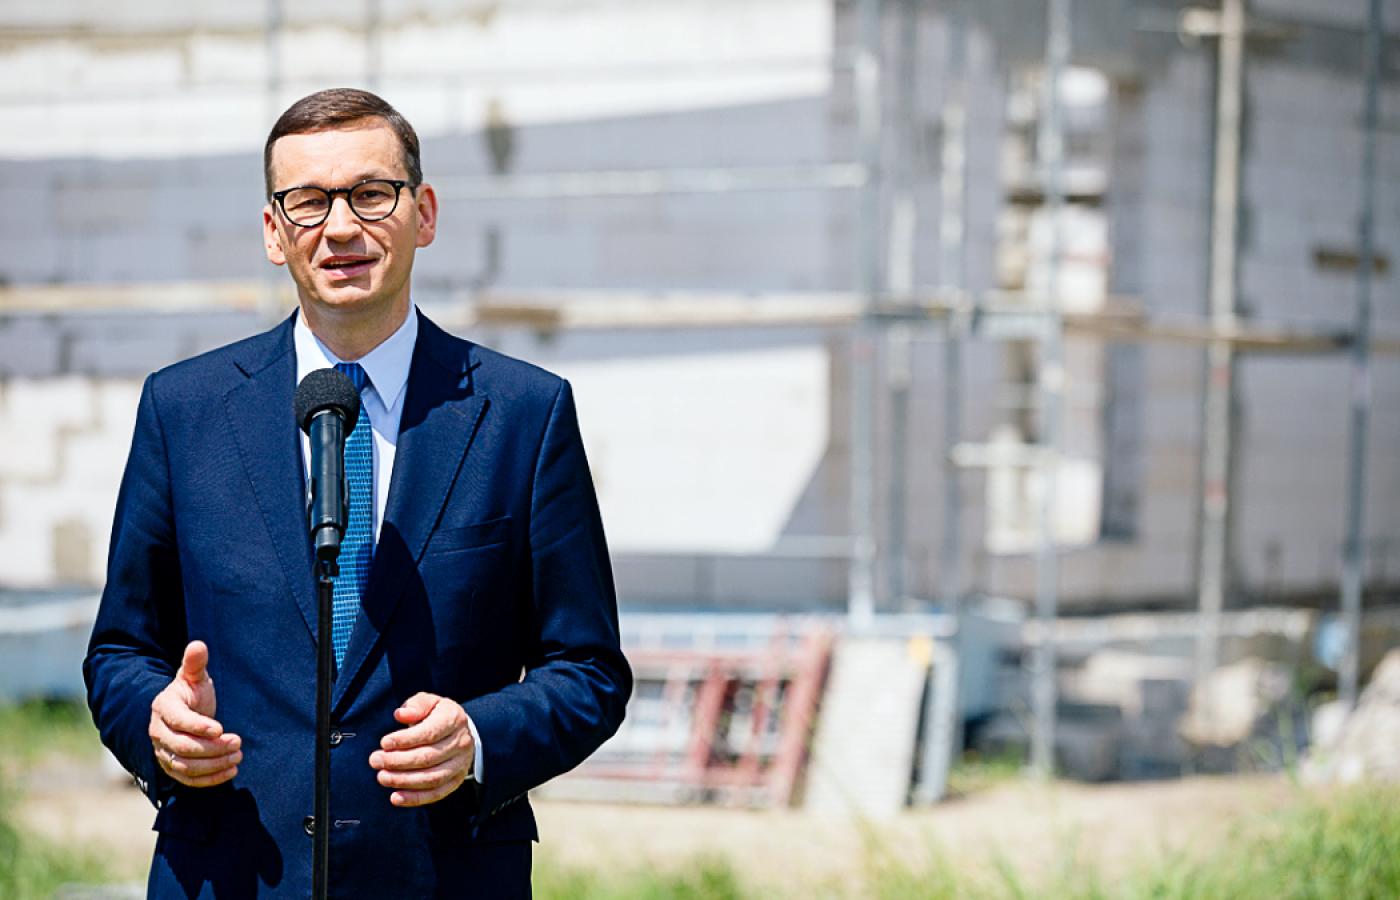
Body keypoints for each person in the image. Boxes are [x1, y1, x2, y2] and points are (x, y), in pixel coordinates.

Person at [84, 88, 631, 898]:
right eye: (308, 201)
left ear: (425, 213)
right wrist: (158, 726)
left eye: (372, 194)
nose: (340, 227)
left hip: (439, 874)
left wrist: (479, 737)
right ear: (274, 231)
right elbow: (120, 653)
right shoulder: (183, 409)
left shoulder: (524, 413)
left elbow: (588, 669)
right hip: (231, 872)